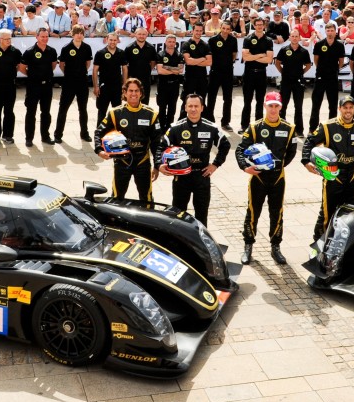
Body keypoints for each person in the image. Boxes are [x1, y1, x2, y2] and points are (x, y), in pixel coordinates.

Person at [236, 91, 298, 265]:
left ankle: (275, 247)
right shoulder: (255, 127)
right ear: (265, 106)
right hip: (258, 178)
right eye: (270, 105)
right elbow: (240, 149)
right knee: (253, 211)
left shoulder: (289, 128)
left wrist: (278, 166)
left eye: (276, 106)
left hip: (278, 178)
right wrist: (245, 167)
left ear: (281, 107)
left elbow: (292, 152)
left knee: (276, 212)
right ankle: (248, 246)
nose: (273, 109)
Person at [302, 95, 354, 242]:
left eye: (351, 107)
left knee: (347, 212)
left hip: (351, 177)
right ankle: (319, 241)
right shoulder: (327, 126)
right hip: (333, 176)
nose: (348, 111)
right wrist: (306, 161)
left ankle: (338, 243)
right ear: (339, 109)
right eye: (345, 107)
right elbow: (309, 142)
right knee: (327, 212)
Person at [157, 94, 231, 226]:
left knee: (201, 215)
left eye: (196, 106)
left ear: (202, 108)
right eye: (190, 106)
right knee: (178, 215)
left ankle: (200, 244)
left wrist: (215, 164)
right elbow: (160, 147)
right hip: (181, 178)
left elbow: (225, 145)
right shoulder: (175, 128)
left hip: (201, 176)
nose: (193, 109)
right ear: (185, 107)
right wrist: (159, 164)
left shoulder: (211, 128)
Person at [94, 78, 162, 202]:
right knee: (116, 198)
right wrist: (99, 150)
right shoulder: (115, 113)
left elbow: (157, 143)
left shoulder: (151, 114)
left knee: (146, 199)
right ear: (124, 92)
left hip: (143, 161)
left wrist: (157, 165)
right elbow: (99, 132)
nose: (134, 94)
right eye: (130, 90)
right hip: (122, 161)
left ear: (141, 93)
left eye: (136, 91)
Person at [20, 27, 58, 146]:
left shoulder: (52, 51)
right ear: (36, 37)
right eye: (42, 36)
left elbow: (53, 65)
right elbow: (22, 68)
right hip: (33, 87)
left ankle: (45, 136)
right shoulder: (29, 51)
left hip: (46, 86)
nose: (45, 39)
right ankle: (29, 138)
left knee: (46, 112)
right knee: (31, 112)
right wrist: (32, 76)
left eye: (46, 36)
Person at [55, 24, 93, 143]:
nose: (79, 35)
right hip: (69, 82)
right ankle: (58, 134)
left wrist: (81, 73)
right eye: (77, 33)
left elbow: (88, 63)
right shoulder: (66, 48)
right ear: (73, 34)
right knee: (63, 109)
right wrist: (70, 74)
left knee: (83, 109)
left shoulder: (87, 47)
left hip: (82, 82)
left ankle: (84, 133)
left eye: (81, 33)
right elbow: (62, 65)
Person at [307, 23, 345, 132]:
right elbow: (316, 60)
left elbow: (341, 62)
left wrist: (334, 70)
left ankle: (331, 129)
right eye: (328, 31)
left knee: (333, 105)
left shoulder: (339, 45)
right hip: (320, 78)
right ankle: (312, 129)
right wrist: (322, 70)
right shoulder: (319, 44)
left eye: (332, 30)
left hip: (333, 78)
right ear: (325, 32)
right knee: (316, 104)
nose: (330, 33)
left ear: (335, 32)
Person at [274, 30, 312, 137]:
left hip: (298, 82)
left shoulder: (304, 51)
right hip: (286, 81)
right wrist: (283, 72)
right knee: (283, 106)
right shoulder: (284, 49)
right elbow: (277, 62)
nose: (294, 38)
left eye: (296, 36)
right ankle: (282, 128)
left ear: (299, 38)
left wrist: (301, 73)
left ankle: (299, 130)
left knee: (298, 107)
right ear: (290, 37)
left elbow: (308, 65)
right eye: (292, 36)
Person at [241, 17, 274, 129]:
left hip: (261, 73)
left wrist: (253, 57)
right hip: (249, 73)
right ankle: (244, 126)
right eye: (257, 24)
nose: (259, 26)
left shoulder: (268, 40)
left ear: (264, 26)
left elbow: (269, 59)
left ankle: (258, 126)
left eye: (261, 24)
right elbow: (245, 57)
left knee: (260, 101)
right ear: (254, 25)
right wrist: (261, 55)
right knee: (247, 101)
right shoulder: (248, 39)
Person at [205, 21, 238, 128]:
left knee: (228, 98)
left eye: (228, 29)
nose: (225, 31)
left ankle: (225, 122)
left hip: (228, 72)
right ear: (220, 28)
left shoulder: (233, 40)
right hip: (215, 72)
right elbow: (209, 56)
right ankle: (210, 120)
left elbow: (234, 54)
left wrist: (227, 63)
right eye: (223, 28)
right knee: (211, 97)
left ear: (230, 30)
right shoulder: (213, 40)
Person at [93, 33, 127, 123]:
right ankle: (99, 135)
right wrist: (96, 86)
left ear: (118, 41)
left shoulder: (121, 53)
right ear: (107, 40)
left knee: (118, 113)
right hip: (104, 87)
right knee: (102, 112)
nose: (113, 42)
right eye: (111, 40)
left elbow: (124, 69)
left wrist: (124, 85)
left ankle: (117, 135)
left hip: (117, 87)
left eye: (115, 40)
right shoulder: (100, 53)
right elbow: (95, 70)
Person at [180, 24, 212, 118]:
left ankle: (202, 121)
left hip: (202, 77)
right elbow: (188, 61)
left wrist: (194, 61)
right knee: (186, 100)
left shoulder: (205, 45)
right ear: (192, 31)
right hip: (190, 76)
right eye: (196, 30)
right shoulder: (186, 44)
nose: (198, 32)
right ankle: (181, 120)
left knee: (201, 100)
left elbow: (209, 62)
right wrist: (202, 58)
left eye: (200, 31)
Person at [124, 27, 159, 103]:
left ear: (147, 35)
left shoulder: (151, 48)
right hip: (132, 80)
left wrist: (147, 69)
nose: (141, 36)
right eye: (139, 34)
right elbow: (125, 66)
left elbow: (153, 62)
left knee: (145, 102)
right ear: (135, 35)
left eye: (143, 34)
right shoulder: (129, 48)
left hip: (146, 79)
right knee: (132, 101)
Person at [156, 34, 184, 126]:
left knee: (172, 107)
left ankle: (169, 126)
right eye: (169, 41)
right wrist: (174, 70)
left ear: (175, 43)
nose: (171, 44)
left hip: (174, 85)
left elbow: (180, 70)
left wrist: (166, 67)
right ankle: (161, 127)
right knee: (162, 107)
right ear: (165, 42)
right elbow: (160, 70)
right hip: (162, 84)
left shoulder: (179, 55)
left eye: (173, 42)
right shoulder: (160, 54)